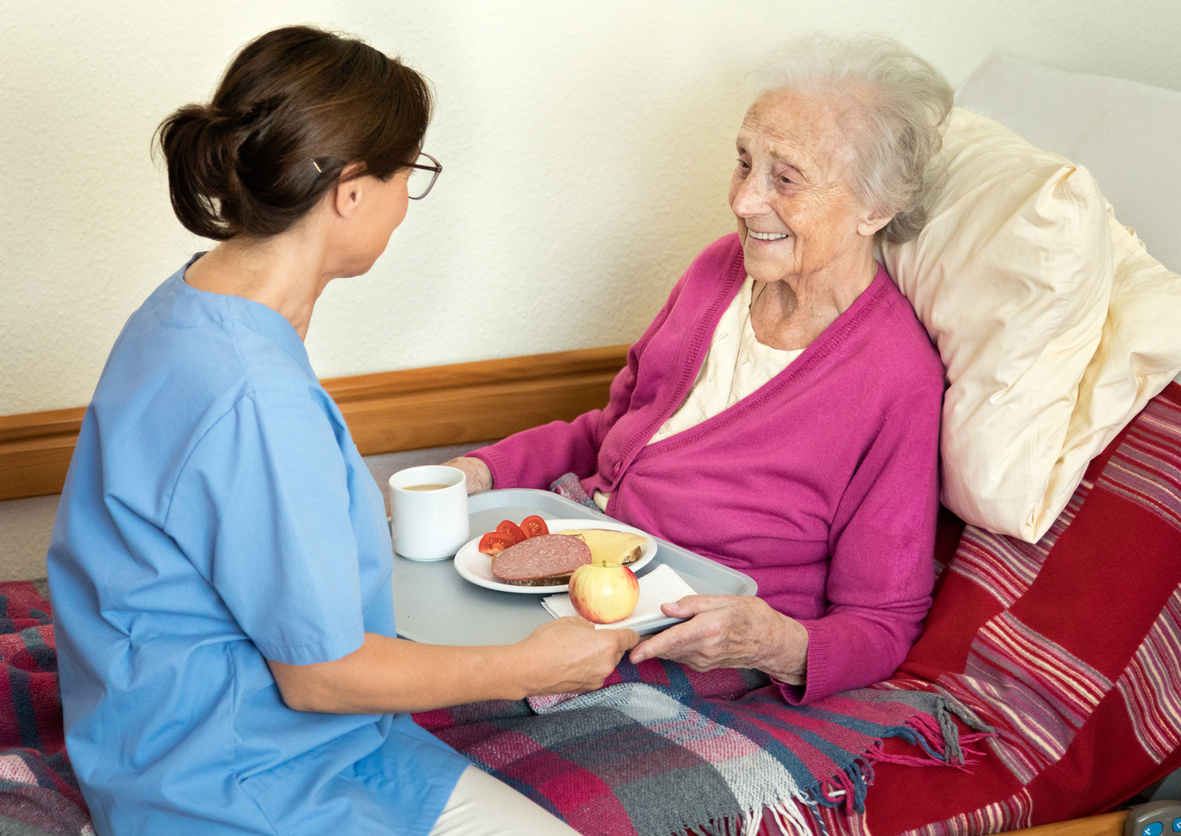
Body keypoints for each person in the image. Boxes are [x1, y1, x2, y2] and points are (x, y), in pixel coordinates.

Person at [46, 26, 636, 836]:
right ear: (351, 190)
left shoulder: (188, 303)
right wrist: (528, 665)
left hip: (247, 740)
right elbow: (320, 677)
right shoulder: (255, 398)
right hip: (226, 782)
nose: (405, 205)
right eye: (410, 174)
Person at [448, 34, 951, 704]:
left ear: (876, 208)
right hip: (577, 567)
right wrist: (480, 470)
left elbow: (881, 624)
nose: (744, 201)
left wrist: (767, 641)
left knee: (395, 721)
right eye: (745, 164)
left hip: (682, 647)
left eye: (786, 177)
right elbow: (612, 434)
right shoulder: (717, 271)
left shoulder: (895, 379)